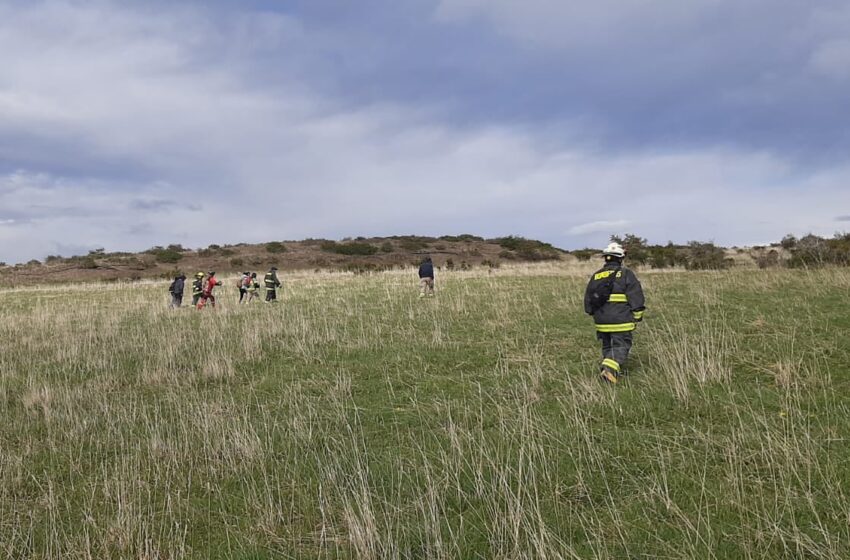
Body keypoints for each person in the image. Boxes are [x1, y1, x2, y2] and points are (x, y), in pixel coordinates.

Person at [583, 242, 646, 384]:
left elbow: (588, 301)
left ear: (606, 258)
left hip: (601, 321)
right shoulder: (625, 274)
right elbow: (636, 296)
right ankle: (609, 371)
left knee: (607, 345)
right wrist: (637, 316)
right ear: (620, 258)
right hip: (621, 319)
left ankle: (609, 370)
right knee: (621, 345)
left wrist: (594, 314)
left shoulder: (596, 275)